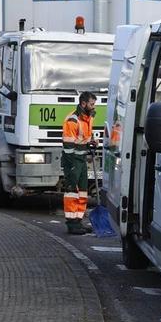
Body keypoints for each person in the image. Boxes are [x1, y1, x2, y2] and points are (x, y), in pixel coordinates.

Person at [61, 91, 97, 234]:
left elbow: (83, 138)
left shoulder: (87, 118)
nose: (94, 107)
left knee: (82, 192)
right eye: (91, 104)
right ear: (83, 104)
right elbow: (68, 146)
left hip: (81, 159)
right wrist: (72, 167)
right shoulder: (73, 120)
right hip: (73, 161)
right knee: (72, 192)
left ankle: (78, 221)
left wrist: (91, 142)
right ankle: (72, 223)